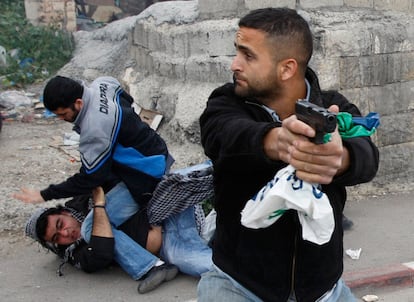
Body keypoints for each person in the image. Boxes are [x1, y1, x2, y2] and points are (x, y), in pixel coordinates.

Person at [198, 8, 379, 302]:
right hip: (237, 286)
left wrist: (340, 159)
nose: (234, 64)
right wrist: (277, 141)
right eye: (238, 53)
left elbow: (367, 156)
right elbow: (223, 135)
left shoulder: (333, 107)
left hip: (324, 292)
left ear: (286, 68)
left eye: (248, 55)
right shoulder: (226, 102)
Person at [26, 182, 213, 294]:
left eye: (61, 225)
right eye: (57, 238)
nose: (66, 234)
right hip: (171, 247)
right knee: (212, 267)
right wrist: (99, 207)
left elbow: (128, 184)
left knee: (205, 174)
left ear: (64, 211)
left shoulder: (82, 199)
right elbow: (102, 251)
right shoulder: (77, 254)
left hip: (170, 211)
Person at [13, 75, 171, 205]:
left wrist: (44, 195)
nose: (61, 119)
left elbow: (90, 178)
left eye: (63, 114)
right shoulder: (104, 83)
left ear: (78, 103)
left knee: (93, 224)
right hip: (155, 145)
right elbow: (127, 100)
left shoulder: (94, 129)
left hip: (148, 168)